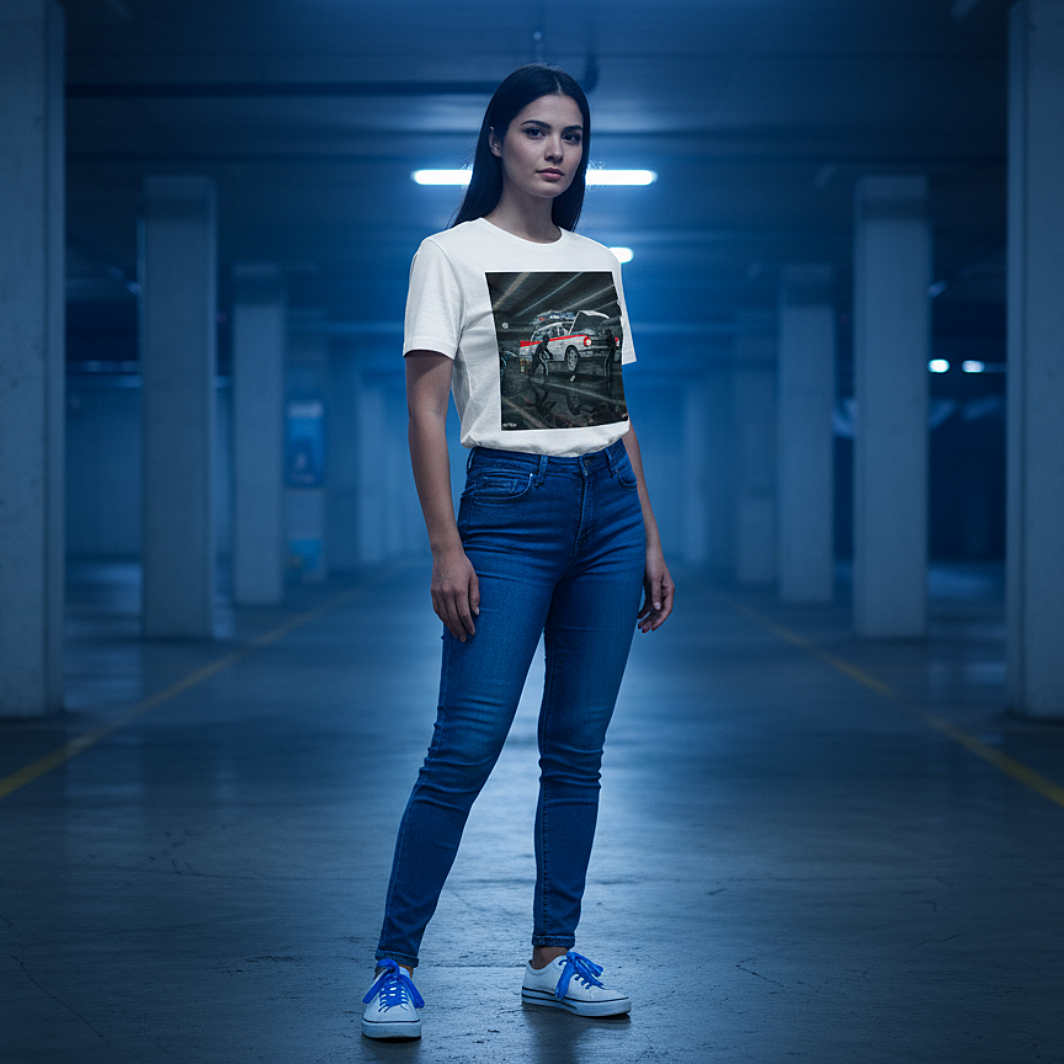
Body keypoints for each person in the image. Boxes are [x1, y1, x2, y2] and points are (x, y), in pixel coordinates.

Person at [361, 63, 675, 1041]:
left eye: (571, 136)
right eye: (535, 131)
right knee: (463, 744)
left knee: (574, 750)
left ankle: (551, 955)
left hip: (607, 514)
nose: (554, 150)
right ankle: (394, 964)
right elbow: (422, 404)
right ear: (497, 139)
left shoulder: (595, 257)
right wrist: (444, 543)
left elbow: (609, 411)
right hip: (505, 511)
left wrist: (651, 536)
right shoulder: (449, 253)